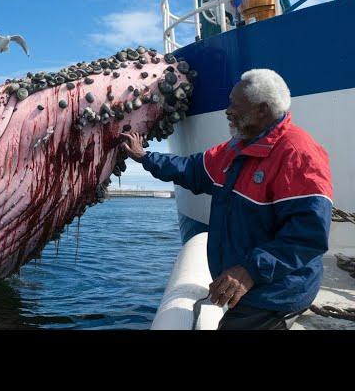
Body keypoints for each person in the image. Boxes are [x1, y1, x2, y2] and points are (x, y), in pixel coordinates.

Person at [119, 69, 333, 330]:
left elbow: (307, 236)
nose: (227, 110)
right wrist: (145, 157)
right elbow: (191, 169)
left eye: (235, 104)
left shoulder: (298, 155)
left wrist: (249, 271)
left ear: (262, 110)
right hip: (251, 287)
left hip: (276, 292)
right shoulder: (236, 149)